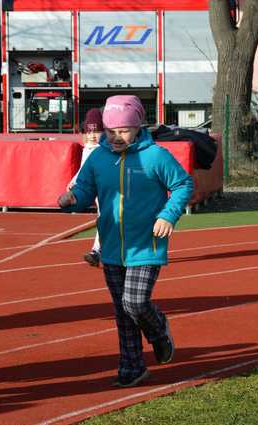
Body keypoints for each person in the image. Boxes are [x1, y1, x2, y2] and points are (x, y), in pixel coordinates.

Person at [57, 95, 193, 387]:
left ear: (138, 127)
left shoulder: (155, 156)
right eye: (110, 131)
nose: (116, 137)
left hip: (147, 243)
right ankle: (132, 367)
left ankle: (158, 331)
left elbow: (183, 184)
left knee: (134, 302)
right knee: (122, 311)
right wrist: (71, 200)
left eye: (123, 131)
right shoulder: (98, 158)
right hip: (111, 248)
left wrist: (168, 215)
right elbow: (84, 189)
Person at [68, 108, 104, 267]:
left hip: (110, 188)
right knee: (105, 218)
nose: (92, 135)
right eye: (89, 132)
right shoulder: (88, 148)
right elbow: (84, 169)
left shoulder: (106, 148)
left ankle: (98, 251)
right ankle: (97, 251)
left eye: (96, 131)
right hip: (98, 190)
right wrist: (74, 180)